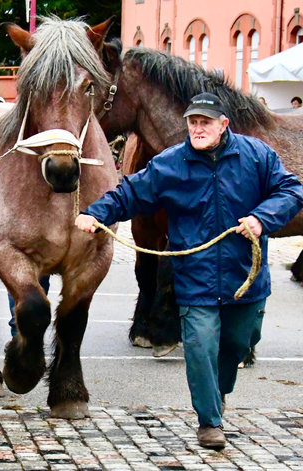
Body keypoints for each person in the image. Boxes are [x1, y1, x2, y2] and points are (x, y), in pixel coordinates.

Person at [75, 92, 303, 450]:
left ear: (223, 125)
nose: (197, 128)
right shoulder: (171, 163)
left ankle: (218, 394)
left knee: (237, 344)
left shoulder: (256, 156)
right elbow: (129, 193)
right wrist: (96, 213)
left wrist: (262, 218)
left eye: (205, 122)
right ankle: (209, 421)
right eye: (192, 122)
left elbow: (291, 190)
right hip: (195, 279)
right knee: (199, 348)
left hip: (246, 279)